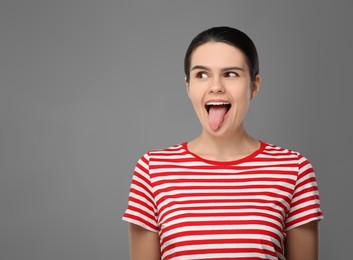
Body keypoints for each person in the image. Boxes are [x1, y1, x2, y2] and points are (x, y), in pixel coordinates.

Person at [122, 26, 323, 260]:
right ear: (188, 86)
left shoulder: (294, 169)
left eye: (230, 74)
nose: (215, 86)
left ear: (254, 85)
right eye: (202, 75)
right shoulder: (152, 170)